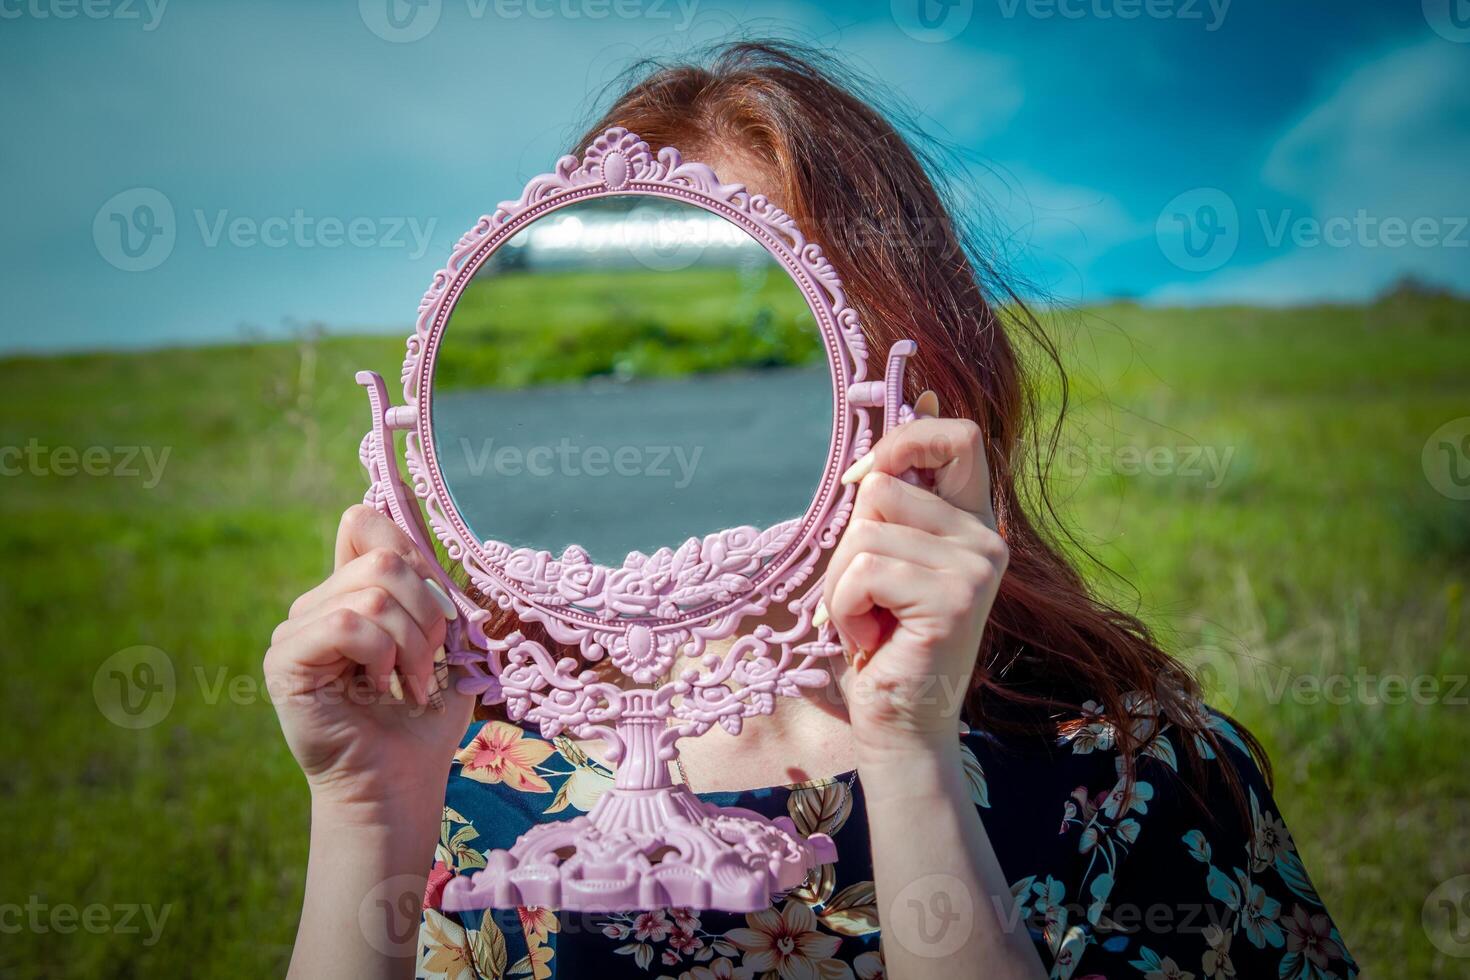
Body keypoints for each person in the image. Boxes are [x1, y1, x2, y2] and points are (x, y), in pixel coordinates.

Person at [267, 41, 1358, 980]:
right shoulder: (467, 774)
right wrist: (368, 816)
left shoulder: (1138, 772)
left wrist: (911, 748)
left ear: (915, 379)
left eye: (791, 329)